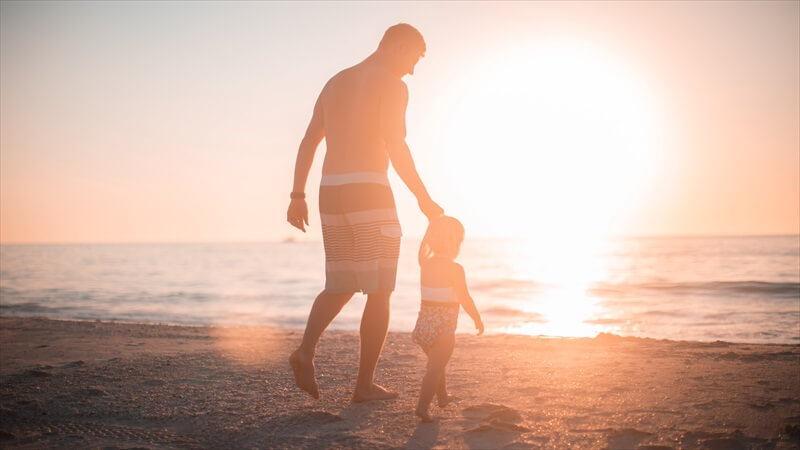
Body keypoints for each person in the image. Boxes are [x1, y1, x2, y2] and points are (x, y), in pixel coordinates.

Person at [286, 23, 444, 402]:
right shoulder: (392, 85)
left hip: (330, 192)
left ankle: (305, 351)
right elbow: (396, 145)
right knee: (380, 290)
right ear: (398, 46)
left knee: (340, 284)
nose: (412, 70)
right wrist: (423, 198)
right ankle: (363, 386)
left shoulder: (335, 82)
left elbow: (310, 139)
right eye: (413, 58)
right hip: (369, 191)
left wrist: (296, 195)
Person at [412, 216, 483, 422]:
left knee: (437, 363)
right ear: (455, 244)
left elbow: (422, 247)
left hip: (423, 326)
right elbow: (464, 297)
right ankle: (422, 407)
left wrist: (430, 226)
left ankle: (442, 398)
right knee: (434, 369)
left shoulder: (425, 263)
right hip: (443, 328)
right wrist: (476, 318)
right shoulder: (455, 269)